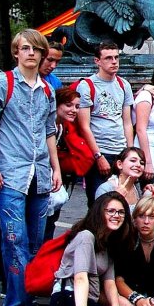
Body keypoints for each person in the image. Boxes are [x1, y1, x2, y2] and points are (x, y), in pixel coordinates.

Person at [0, 29, 61, 306]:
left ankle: (27, 296)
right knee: (15, 239)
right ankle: (14, 305)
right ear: (16, 52)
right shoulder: (2, 83)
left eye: (35, 49)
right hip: (10, 173)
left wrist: (56, 168)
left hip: (39, 173)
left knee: (36, 242)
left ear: (41, 54)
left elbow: (50, 131)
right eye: (25, 48)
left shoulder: (47, 90)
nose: (30, 53)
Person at [20, 192, 143, 306]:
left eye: (121, 212)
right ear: (99, 212)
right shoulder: (86, 236)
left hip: (87, 301)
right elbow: (80, 278)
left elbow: (109, 283)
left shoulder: (108, 244)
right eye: (111, 211)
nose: (117, 216)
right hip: (67, 299)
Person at [75, 42, 135, 206]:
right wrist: (98, 155)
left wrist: (130, 151)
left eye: (116, 57)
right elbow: (84, 125)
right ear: (97, 61)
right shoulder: (87, 85)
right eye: (108, 58)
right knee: (99, 203)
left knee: (123, 201)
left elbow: (127, 122)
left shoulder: (124, 85)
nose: (114, 62)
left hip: (121, 151)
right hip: (100, 150)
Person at [45, 86, 95, 240]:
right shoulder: (50, 125)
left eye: (77, 106)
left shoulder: (62, 126)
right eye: (69, 105)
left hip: (54, 175)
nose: (74, 110)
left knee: (50, 219)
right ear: (56, 105)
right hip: (42, 175)